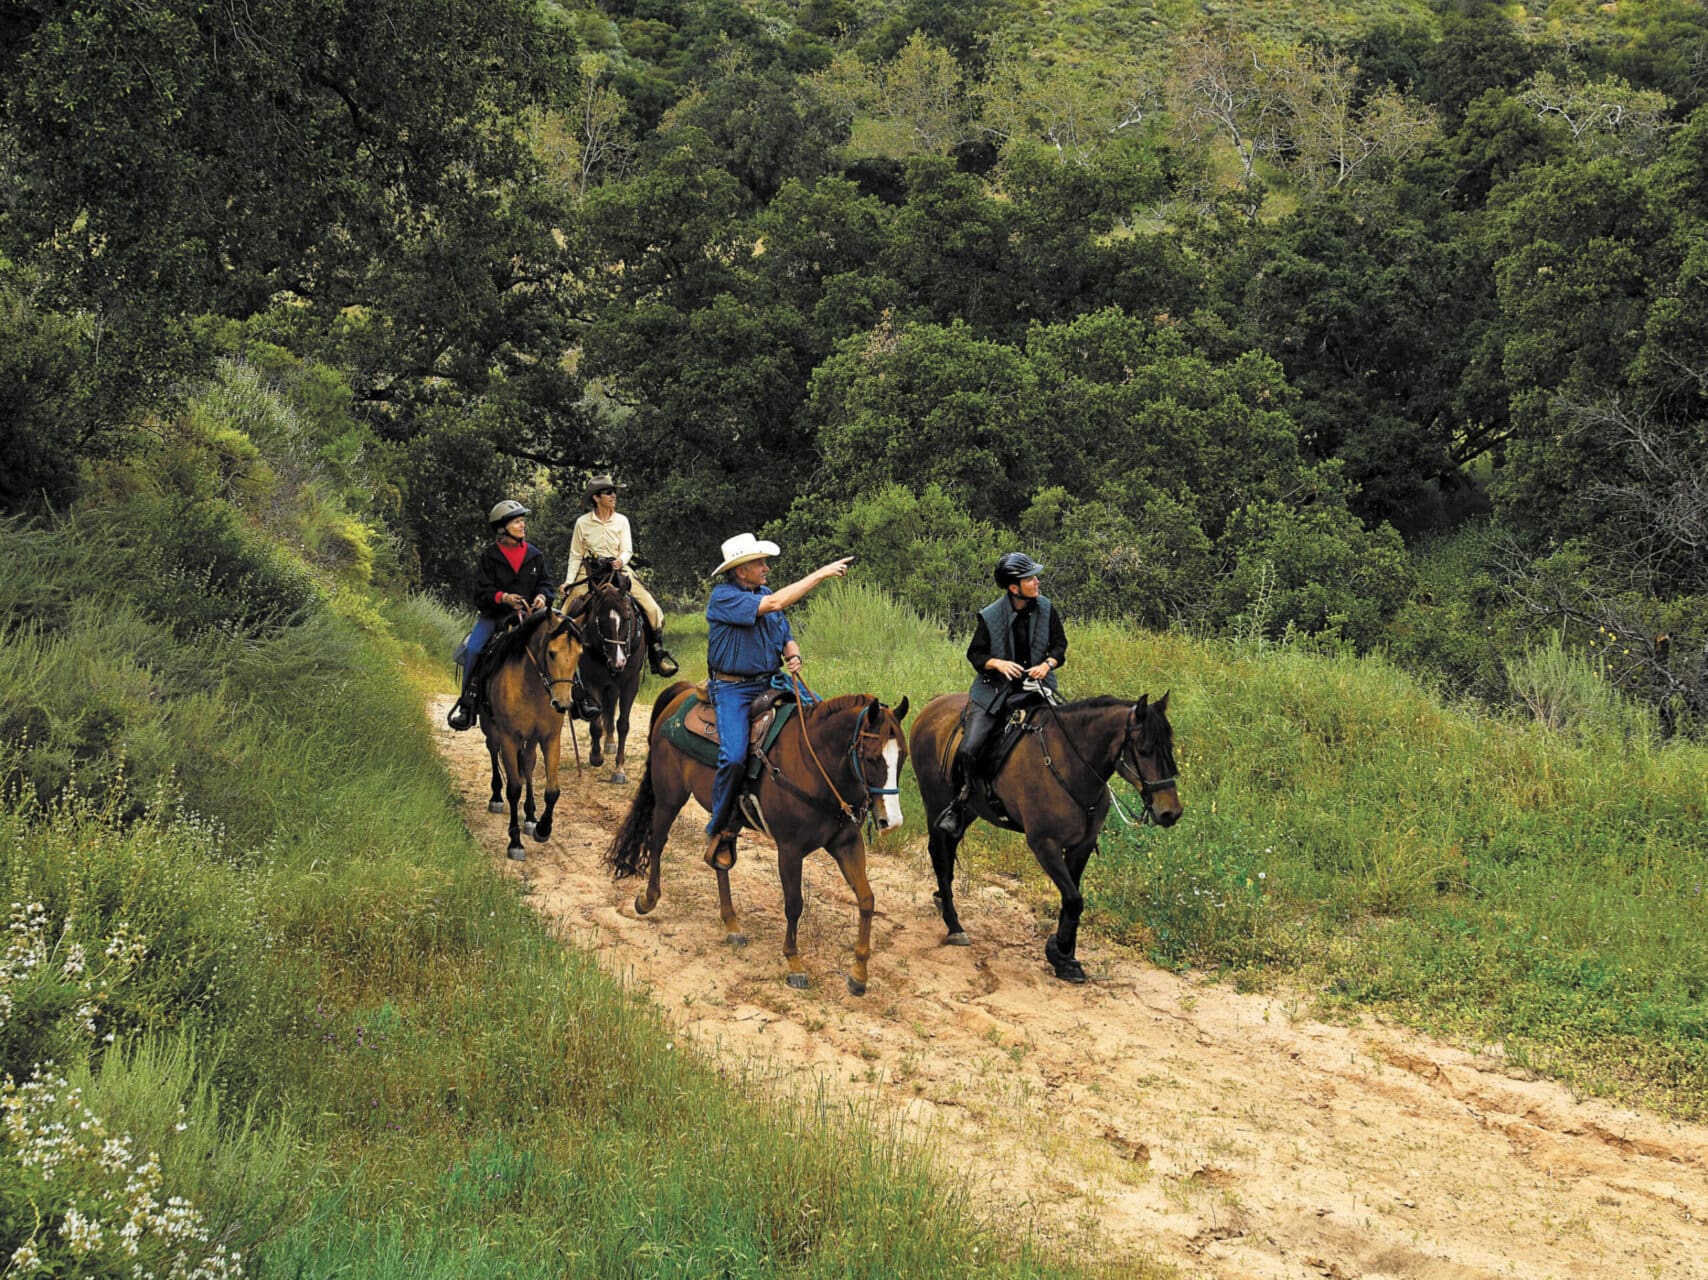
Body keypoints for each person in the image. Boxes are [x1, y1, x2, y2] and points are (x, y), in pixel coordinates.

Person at [701, 533, 853, 869]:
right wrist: (820, 573)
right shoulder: (724, 597)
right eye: (759, 563)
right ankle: (721, 827)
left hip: (771, 680)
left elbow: (785, 633)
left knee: (827, 723)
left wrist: (793, 652)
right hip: (733, 690)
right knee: (733, 756)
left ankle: (844, 804)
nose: (766, 568)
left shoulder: (765, 592)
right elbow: (774, 607)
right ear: (741, 571)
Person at [934, 552, 1068, 838]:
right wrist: (997, 663)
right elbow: (976, 654)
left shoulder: (1046, 607)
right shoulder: (991, 615)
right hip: (995, 692)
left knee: (1070, 733)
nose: (1037, 581)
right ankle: (960, 804)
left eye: (1035, 576)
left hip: (1036, 688)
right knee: (969, 748)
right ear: (1013, 588)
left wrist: (1047, 665)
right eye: (1030, 578)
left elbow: (1060, 646)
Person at [447, 500, 558, 731]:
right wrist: (503, 597)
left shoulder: (535, 555)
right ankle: (468, 704)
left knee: (562, 638)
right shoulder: (489, 556)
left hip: (531, 616)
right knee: (474, 648)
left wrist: (542, 597)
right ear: (502, 527)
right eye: (517, 522)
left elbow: (546, 584)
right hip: (496, 617)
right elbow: (481, 592)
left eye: (522, 521)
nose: (522, 525)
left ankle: (579, 696)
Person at [560, 474, 678, 677]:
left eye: (614, 492)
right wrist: (570, 581)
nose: (613, 495)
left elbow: (627, 549)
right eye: (609, 492)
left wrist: (621, 560)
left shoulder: (622, 521)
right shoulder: (582, 523)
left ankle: (656, 656)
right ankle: (562, 661)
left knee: (652, 608)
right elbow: (576, 555)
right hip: (589, 571)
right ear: (596, 498)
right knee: (564, 613)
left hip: (618, 568)